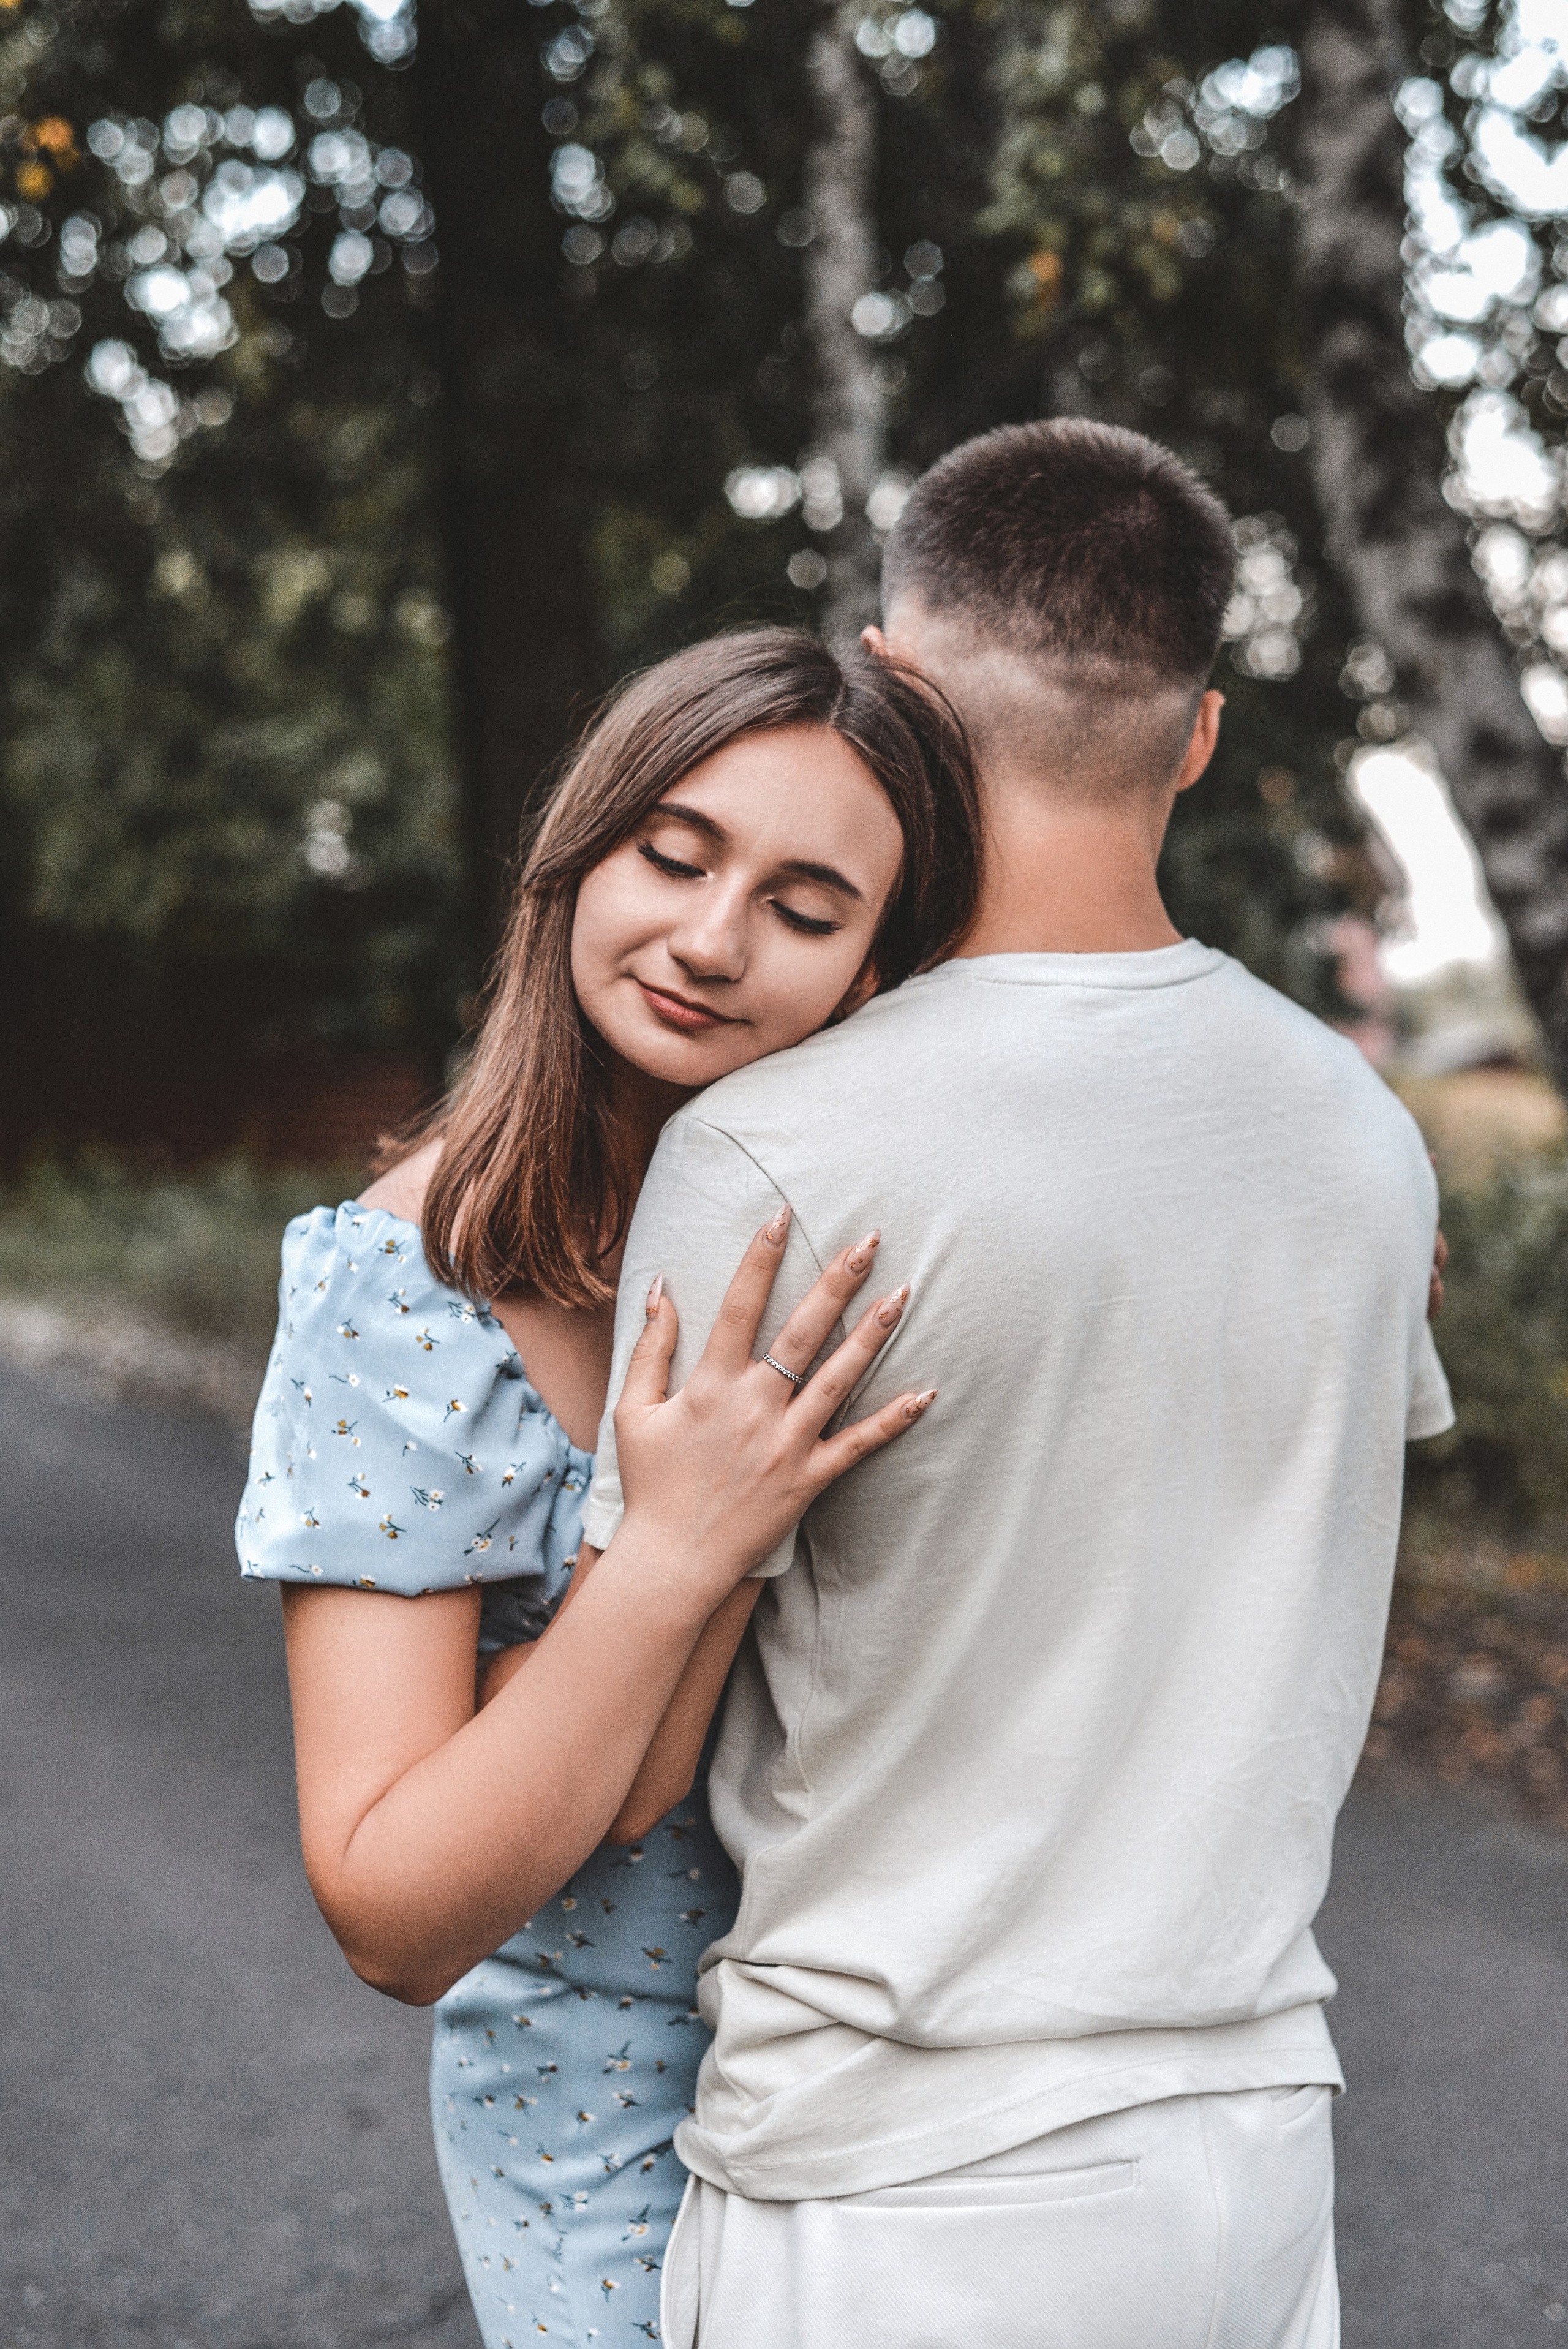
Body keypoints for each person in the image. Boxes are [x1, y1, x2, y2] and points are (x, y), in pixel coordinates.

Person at [579, 420, 1455, 2349]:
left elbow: (634, 1764)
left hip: (908, 2174)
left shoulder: (772, 1148)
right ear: (1202, 734)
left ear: (891, 678)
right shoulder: (1362, 1130)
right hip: (1255, 2143)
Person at [233, 627, 981, 2348]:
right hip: (611, 2126)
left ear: (881, 967)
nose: (712, 944)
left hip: (916, 2080)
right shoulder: (406, 1289)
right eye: (675, 853)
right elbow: (394, 1905)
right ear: (579, 845)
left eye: (805, 909)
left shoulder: (885, 1242)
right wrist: (682, 1547)